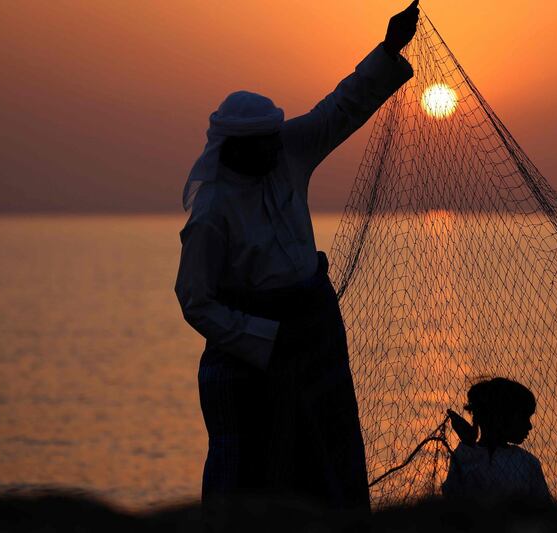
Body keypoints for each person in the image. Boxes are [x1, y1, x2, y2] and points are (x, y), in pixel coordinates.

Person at [174, 1, 420, 511]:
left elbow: (341, 107)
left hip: (314, 331)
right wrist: (264, 340)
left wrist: (389, 47)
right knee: (254, 472)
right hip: (253, 354)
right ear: (235, 147)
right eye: (261, 143)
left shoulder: (287, 150)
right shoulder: (212, 212)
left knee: (329, 458)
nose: (272, 149)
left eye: (273, 139)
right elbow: (196, 301)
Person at [442, 377, 551, 502]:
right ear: (501, 417)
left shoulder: (529, 463)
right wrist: (467, 442)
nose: (529, 426)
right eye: (523, 417)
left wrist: (467, 444)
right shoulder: (465, 455)